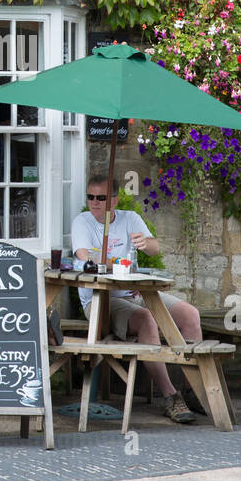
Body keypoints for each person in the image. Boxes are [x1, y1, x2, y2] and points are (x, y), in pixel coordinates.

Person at [71, 175, 206, 424]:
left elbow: (155, 248)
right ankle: (170, 397)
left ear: (114, 199)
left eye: (101, 198)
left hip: (135, 292)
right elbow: (84, 256)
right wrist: (109, 258)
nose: (94, 203)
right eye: (90, 197)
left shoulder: (129, 218)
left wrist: (145, 243)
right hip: (101, 300)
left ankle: (194, 390)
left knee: (190, 315)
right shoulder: (83, 222)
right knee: (146, 320)